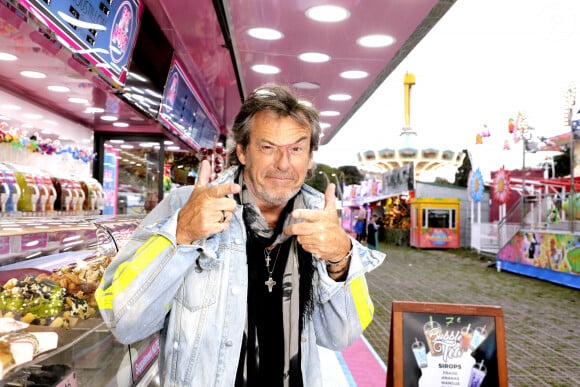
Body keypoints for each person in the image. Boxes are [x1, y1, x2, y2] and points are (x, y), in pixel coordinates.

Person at [96, 84, 385, 386]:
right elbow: (124, 323)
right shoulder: (185, 208)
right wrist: (180, 234)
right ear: (243, 151)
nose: (283, 164)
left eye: (296, 149)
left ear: (310, 158)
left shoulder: (320, 223)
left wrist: (341, 259)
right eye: (268, 147)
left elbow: (341, 336)